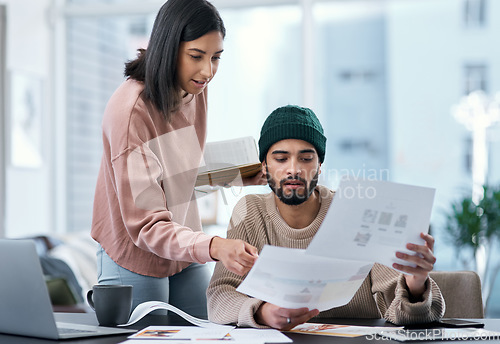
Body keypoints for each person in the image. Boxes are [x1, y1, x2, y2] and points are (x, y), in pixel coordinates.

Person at [91, 0, 263, 318]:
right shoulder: (130, 113)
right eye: (196, 56)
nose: (207, 71)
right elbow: (146, 225)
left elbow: (175, 174)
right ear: (169, 48)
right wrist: (215, 246)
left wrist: (234, 175)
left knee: (209, 329)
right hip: (136, 249)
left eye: (216, 58)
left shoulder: (193, 87)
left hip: (182, 247)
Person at [207, 105, 445, 328]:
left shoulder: (357, 210)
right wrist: (262, 313)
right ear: (265, 167)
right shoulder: (249, 211)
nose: (294, 169)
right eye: (281, 159)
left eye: (306, 158)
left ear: (320, 165)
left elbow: (404, 313)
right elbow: (219, 297)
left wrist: (415, 285)